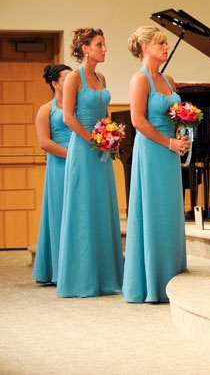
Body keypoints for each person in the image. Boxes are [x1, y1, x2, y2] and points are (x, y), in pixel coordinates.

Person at [122, 26, 190, 303]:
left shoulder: (168, 79)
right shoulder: (139, 80)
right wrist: (168, 142)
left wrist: (181, 133)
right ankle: (151, 280)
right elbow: (138, 121)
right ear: (146, 48)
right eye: (161, 43)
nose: (166, 47)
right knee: (153, 210)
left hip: (170, 150)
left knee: (169, 210)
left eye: (165, 43)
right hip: (151, 150)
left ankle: (171, 274)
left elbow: (176, 115)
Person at [57, 28, 124, 298]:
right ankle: (82, 279)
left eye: (104, 45)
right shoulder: (74, 77)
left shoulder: (101, 77)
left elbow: (105, 115)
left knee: (102, 206)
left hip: (102, 151)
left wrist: (112, 135)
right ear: (85, 48)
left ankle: (107, 277)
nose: (104, 49)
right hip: (84, 149)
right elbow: (67, 118)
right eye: (99, 45)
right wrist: (95, 140)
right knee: (83, 207)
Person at [32, 64, 73, 285]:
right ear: (55, 83)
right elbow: (44, 142)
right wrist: (72, 156)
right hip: (59, 166)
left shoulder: (77, 107)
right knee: (59, 213)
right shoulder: (46, 109)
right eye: (66, 78)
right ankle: (59, 269)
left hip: (81, 165)